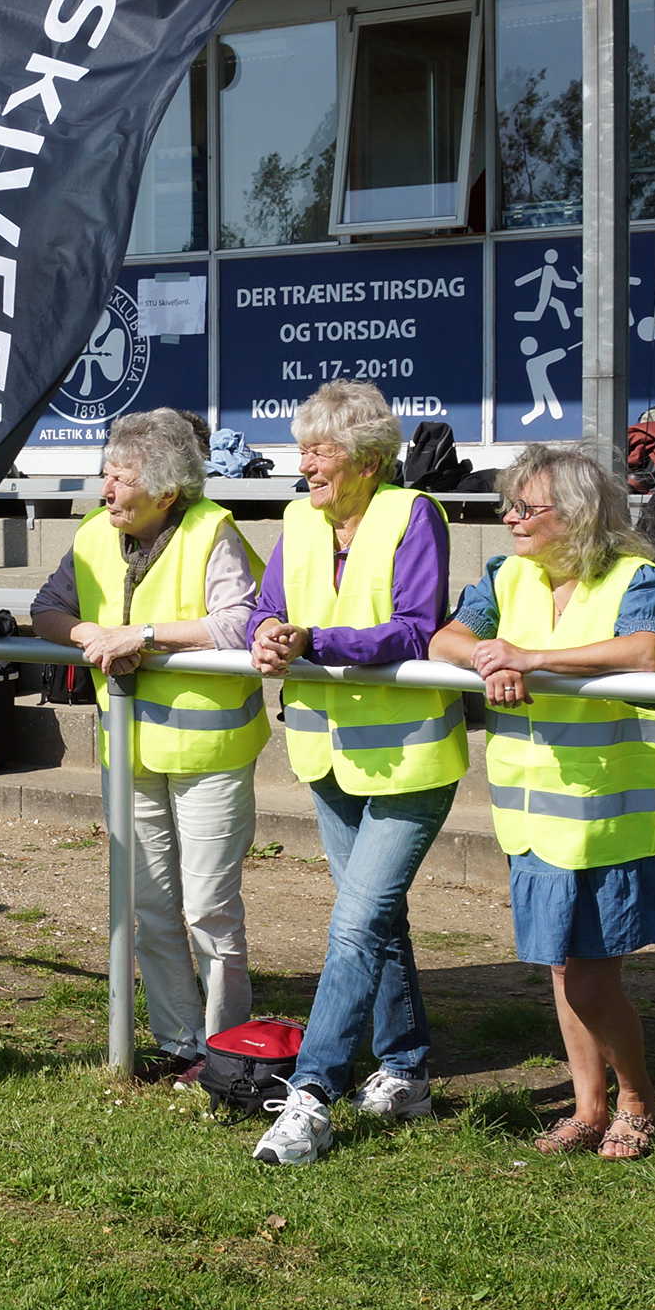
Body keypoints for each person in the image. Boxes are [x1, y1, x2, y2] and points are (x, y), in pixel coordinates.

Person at [433, 444, 655, 1161]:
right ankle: (590, 1108)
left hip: (608, 817)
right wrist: (488, 654)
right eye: (509, 505)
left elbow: (644, 652)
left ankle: (638, 1098)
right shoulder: (505, 573)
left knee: (587, 979)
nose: (510, 518)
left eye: (527, 507)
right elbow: (446, 639)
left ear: (579, 514)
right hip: (532, 815)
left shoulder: (636, 576)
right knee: (562, 969)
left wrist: (532, 660)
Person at [246, 382, 465, 1166]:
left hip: (409, 758)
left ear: (368, 460)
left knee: (354, 926)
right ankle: (406, 1072)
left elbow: (413, 629)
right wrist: (266, 634)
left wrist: (313, 641)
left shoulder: (414, 515)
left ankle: (311, 1096)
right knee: (376, 922)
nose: (305, 465)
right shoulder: (296, 521)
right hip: (324, 752)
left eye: (319, 450)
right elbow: (265, 608)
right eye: (301, 449)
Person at [31, 409, 265, 1080]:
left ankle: (226, 1053)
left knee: (209, 910)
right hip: (129, 755)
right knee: (149, 907)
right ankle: (180, 1042)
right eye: (106, 473)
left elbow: (244, 620)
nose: (105, 489)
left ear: (165, 491)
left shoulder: (212, 530)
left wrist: (146, 637)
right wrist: (92, 637)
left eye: (121, 477)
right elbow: (48, 609)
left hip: (209, 757)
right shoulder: (91, 534)